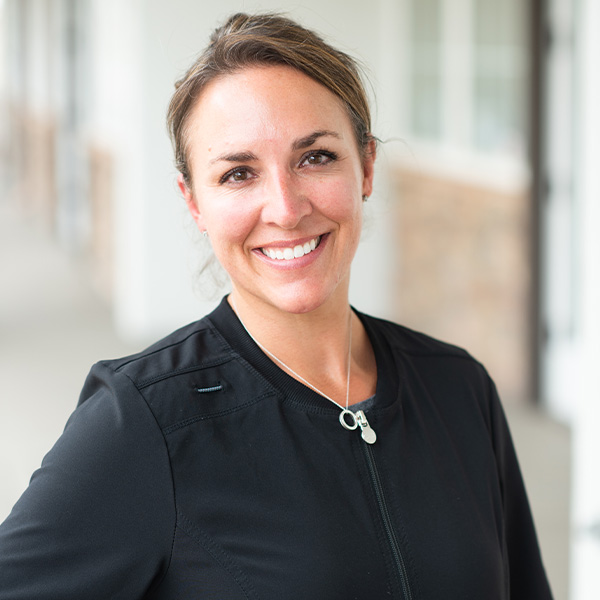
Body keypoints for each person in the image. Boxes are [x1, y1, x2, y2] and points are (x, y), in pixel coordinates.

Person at [0, 12, 553, 600]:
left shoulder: (457, 386)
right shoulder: (145, 422)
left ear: (365, 166)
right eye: (239, 174)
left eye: (315, 157)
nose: (286, 209)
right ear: (194, 202)